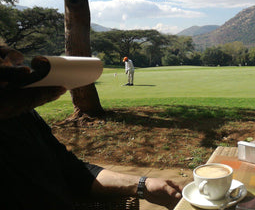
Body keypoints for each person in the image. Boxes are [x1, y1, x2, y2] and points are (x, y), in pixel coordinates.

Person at [0, 45, 182, 209]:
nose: (14, 58)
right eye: (1, 54)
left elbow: (74, 172)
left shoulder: (23, 115)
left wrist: (144, 185)